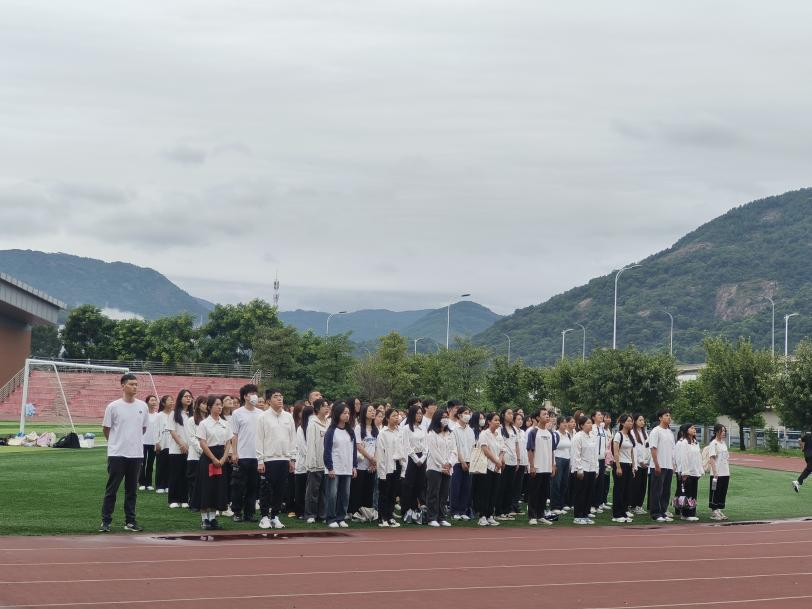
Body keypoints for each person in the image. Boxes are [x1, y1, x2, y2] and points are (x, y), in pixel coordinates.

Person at [99, 374, 149, 533]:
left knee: (132, 490)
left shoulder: (143, 406)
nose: (135, 387)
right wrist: (115, 443)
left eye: (136, 384)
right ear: (123, 386)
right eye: (131, 384)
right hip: (117, 454)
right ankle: (105, 521)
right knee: (112, 489)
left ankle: (130, 521)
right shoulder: (113, 407)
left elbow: (143, 428)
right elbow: (106, 429)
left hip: (136, 454)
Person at [256, 388, 296, 530]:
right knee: (266, 490)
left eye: (281, 396)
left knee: (281, 489)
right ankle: (264, 517)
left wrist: (292, 459)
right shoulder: (262, 417)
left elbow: (292, 439)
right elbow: (259, 439)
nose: (279, 399)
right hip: (269, 459)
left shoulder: (288, 417)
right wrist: (260, 460)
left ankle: (275, 516)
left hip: (284, 459)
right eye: (275, 396)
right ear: (268, 401)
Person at [197, 395, 233, 530]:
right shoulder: (204, 424)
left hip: (221, 457)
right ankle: (204, 519)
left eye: (220, 404)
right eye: (217, 404)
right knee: (206, 488)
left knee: (217, 488)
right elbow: (202, 443)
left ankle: (212, 518)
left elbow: (228, 442)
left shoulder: (225, 423)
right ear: (209, 407)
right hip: (208, 458)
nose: (219, 407)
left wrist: (223, 458)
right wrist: (213, 458)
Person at [229, 384, 261, 523]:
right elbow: (234, 434)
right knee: (238, 485)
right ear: (245, 396)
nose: (254, 396)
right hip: (242, 455)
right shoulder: (237, 413)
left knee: (253, 486)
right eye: (251, 393)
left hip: (256, 456)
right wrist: (234, 453)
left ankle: (249, 513)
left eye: (255, 393)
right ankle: (237, 512)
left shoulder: (260, 413)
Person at [323, 401, 358, 528]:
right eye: (344, 413)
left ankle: (341, 517)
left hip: (347, 468)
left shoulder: (350, 432)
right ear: (338, 414)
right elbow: (327, 450)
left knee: (345, 495)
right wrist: (330, 467)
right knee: (332, 495)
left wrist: (354, 466)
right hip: (334, 468)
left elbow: (354, 450)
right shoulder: (331, 431)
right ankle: (330, 518)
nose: (347, 415)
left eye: (348, 413)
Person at [376, 408, 407, 527]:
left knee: (393, 493)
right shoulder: (383, 433)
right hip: (386, 466)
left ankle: (390, 516)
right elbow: (380, 453)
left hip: (397, 465)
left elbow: (403, 449)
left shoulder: (400, 432)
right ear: (387, 418)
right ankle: (382, 517)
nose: (396, 417)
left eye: (397, 415)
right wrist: (382, 472)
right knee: (384, 493)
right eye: (394, 415)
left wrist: (403, 468)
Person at [425, 408, 455, 527]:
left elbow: (454, 450)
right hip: (434, 467)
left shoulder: (450, 433)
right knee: (433, 493)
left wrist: (450, 463)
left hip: (448, 468)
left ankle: (441, 517)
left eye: (447, 417)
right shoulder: (431, 433)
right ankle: (432, 517)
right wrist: (443, 464)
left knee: (444, 494)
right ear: (437, 418)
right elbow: (434, 452)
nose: (445, 419)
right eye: (443, 417)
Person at [526, 409, 555, 525]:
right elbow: (530, 450)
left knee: (544, 493)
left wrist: (553, 465)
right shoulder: (533, 432)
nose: (547, 416)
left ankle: (540, 515)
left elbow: (552, 451)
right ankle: (532, 516)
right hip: (537, 468)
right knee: (534, 492)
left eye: (548, 414)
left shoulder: (550, 433)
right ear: (538, 418)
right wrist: (532, 466)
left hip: (547, 468)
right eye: (544, 414)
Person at [304, 398, 331, 524]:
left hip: (326, 463)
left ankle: (322, 515)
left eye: (327, 406)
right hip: (315, 463)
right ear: (317, 408)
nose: (327, 408)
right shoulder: (313, 423)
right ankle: (310, 514)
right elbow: (310, 444)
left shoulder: (329, 422)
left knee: (324, 491)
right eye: (324, 406)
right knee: (313, 491)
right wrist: (312, 462)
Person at [475, 412, 504, 527]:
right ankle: (482, 516)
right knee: (485, 492)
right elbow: (485, 450)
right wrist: (496, 461)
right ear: (489, 422)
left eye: (498, 420)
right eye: (495, 420)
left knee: (494, 492)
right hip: (486, 467)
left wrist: (499, 461)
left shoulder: (499, 435)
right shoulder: (484, 434)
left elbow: (502, 450)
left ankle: (489, 515)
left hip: (497, 468)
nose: (498, 422)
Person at [350, 403, 378, 520]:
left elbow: (377, 446)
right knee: (358, 490)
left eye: (373, 410)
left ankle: (367, 513)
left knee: (369, 490)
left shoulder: (375, 429)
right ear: (364, 413)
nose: (373, 412)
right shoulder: (358, 428)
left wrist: (374, 461)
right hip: (361, 464)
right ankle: (355, 513)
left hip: (372, 465)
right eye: (370, 410)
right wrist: (370, 458)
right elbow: (358, 446)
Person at [401, 403, 427, 523]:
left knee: (420, 484)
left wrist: (423, 457)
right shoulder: (406, 428)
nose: (420, 415)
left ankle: (416, 508)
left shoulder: (423, 428)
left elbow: (426, 444)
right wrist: (416, 459)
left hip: (422, 458)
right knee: (409, 485)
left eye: (421, 414)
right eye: (417, 413)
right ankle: (406, 509)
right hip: (411, 458)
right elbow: (406, 445)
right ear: (412, 414)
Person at [648, 408, 676, 523]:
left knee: (666, 491)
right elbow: (653, 449)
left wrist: (673, 465)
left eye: (669, 415)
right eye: (666, 415)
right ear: (660, 418)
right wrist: (656, 464)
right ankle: (655, 513)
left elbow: (672, 450)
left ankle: (663, 512)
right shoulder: (656, 431)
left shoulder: (670, 432)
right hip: (658, 465)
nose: (669, 417)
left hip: (668, 466)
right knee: (657, 490)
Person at [166, 389, 193, 508]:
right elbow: (172, 431)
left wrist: (189, 446)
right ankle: (173, 499)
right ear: (180, 399)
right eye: (186, 396)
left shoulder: (192, 414)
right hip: (176, 449)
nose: (188, 398)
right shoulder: (174, 414)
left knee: (186, 475)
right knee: (175, 474)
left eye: (190, 396)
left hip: (191, 450)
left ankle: (184, 499)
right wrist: (182, 444)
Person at [570, 415, 597, 525]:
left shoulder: (592, 436)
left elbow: (594, 454)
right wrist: (579, 469)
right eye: (588, 423)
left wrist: (596, 468)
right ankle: (578, 516)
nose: (591, 425)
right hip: (582, 469)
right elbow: (576, 454)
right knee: (580, 493)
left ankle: (585, 514)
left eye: (591, 423)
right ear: (581, 425)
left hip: (591, 468)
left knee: (589, 493)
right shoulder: (578, 437)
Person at [450, 406, 475, 520]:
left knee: (466, 487)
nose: (468, 415)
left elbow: (473, 447)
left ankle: (463, 510)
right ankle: (454, 511)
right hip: (457, 462)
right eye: (465, 413)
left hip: (469, 462)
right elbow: (455, 448)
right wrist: (462, 461)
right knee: (456, 487)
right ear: (459, 415)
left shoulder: (470, 430)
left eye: (469, 413)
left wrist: (470, 461)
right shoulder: (453, 429)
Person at [611, 414, 637, 523]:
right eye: (628, 421)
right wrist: (618, 467)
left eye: (631, 421)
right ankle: (617, 514)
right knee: (619, 490)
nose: (631, 423)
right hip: (620, 464)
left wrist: (633, 466)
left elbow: (631, 452)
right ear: (622, 423)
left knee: (627, 490)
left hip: (629, 465)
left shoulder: (630, 436)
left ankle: (623, 512)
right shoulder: (618, 435)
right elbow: (616, 451)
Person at [674, 423, 702, 521]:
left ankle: (692, 512)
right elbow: (683, 458)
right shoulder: (683, 443)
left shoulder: (695, 442)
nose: (694, 429)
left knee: (693, 493)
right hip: (687, 472)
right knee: (687, 493)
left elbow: (698, 457)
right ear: (686, 430)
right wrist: (685, 472)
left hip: (694, 471)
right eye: (692, 428)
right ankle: (685, 513)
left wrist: (700, 470)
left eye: (694, 428)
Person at [496, 408, 519, 520]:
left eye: (511, 413)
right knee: (501, 487)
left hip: (513, 461)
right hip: (504, 461)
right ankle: (498, 512)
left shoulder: (514, 429)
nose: (511, 415)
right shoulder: (500, 428)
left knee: (510, 488)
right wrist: (501, 459)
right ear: (503, 415)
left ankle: (507, 510)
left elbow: (516, 445)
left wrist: (518, 460)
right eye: (508, 413)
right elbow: (499, 445)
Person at [293, 405, 314, 519]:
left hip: (312, 464)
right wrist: (311, 456)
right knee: (300, 489)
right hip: (302, 464)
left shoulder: (313, 428)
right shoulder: (301, 429)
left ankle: (308, 511)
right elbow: (302, 448)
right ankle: (299, 512)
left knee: (310, 490)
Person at [186, 397, 206, 512]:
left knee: (204, 481)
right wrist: (202, 450)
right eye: (203, 403)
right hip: (195, 455)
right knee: (193, 480)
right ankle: (193, 503)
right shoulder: (191, 420)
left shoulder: (209, 420)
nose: (206, 405)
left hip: (207, 455)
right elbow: (192, 438)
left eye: (207, 403)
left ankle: (202, 502)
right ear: (198, 405)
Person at [550, 416, 573, 515]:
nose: (565, 424)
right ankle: (554, 506)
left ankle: (561, 504)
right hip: (558, 459)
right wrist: (553, 463)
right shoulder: (555, 434)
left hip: (567, 460)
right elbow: (553, 449)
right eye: (563, 423)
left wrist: (571, 462)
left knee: (564, 483)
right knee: (556, 483)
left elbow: (570, 449)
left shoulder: (568, 435)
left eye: (566, 423)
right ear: (558, 424)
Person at [708, 424, 730, 521]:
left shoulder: (723, 443)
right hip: (717, 472)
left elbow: (726, 458)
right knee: (715, 491)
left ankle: (719, 509)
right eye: (722, 431)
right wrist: (715, 471)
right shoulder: (713, 443)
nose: (724, 433)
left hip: (725, 471)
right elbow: (712, 458)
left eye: (725, 431)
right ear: (717, 432)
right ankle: (714, 510)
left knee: (722, 491)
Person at [589, 410, 609, 515]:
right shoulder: (592, 428)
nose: (601, 416)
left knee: (601, 482)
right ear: (593, 417)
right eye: (599, 415)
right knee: (594, 482)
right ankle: (591, 504)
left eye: (602, 415)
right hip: (593, 458)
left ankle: (597, 503)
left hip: (602, 459)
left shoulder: (603, 430)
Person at [138, 395, 159, 491]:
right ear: (147, 402)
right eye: (152, 400)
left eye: (155, 400)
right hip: (143, 441)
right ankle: (142, 482)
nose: (154, 402)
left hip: (153, 442)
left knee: (150, 463)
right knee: (142, 463)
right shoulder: (143, 414)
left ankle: (149, 483)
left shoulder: (158, 415)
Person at [154, 395, 174, 494]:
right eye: (169, 400)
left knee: (171, 466)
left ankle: (168, 485)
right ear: (163, 403)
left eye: (172, 400)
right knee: (161, 465)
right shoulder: (159, 415)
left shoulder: (175, 415)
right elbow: (156, 430)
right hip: (162, 443)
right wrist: (157, 442)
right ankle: (160, 485)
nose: (171, 402)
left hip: (172, 444)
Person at [630, 413, 649, 515]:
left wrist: (646, 461)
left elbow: (647, 448)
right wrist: (640, 461)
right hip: (637, 464)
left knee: (643, 485)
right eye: (640, 420)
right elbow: (635, 449)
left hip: (645, 464)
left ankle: (639, 505)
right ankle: (632, 505)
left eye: (643, 420)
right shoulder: (632, 432)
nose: (642, 422)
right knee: (635, 486)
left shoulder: (644, 432)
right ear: (635, 421)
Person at [793, 427, 812, 493]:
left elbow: (799, 439)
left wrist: (802, 448)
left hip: (806, 455)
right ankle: (798, 482)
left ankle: (798, 482)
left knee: (809, 469)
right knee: (809, 469)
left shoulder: (807, 435)